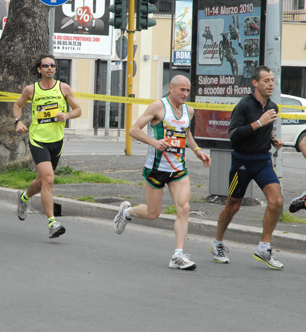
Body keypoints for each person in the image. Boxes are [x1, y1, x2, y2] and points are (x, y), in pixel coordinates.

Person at [113, 75, 211, 270]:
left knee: (184, 208)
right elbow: (134, 130)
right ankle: (126, 212)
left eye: (188, 90)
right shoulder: (158, 107)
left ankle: (178, 255)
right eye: (181, 90)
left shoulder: (188, 111)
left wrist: (197, 150)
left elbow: (186, 132)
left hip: (178, 169)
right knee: (152, 213)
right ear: (172, 88)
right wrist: (154, 142)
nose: (185, 94)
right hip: (156, 168)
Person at [211, 66, 284, 270]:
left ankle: (264, 246)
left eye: (272, 80)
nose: (270, 84)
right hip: (242, 162)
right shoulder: (244, 105)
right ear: (255, 83)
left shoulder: (273, 107)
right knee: (233, 206)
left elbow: (265, 131)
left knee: (276, 201)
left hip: (262, 161)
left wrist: (273, 140)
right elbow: (233, 134)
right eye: (266, 80)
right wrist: (258, 123)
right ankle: (217, 242)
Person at [13, 54, 82, 238]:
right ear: (39, 69)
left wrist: (66, 116)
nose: (50, 68)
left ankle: (24, 197)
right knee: (49, 179)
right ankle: (52, 223)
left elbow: (78, 110)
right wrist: (18, 122)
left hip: (56, 141)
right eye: (46, 66)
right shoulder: (31, 90)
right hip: (38, 140)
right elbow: (17, 106)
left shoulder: (63, 88)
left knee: (41, 182)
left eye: (53, 65)